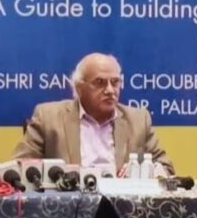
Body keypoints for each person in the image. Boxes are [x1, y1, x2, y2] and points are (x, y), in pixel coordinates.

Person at [12, 53, 174, 176]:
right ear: (79, 88)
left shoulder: (139, 120)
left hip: (123, 207)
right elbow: (19, 166)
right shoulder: (48, 117)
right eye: (99, 82)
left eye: (115, 82)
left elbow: (166, 168)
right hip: (70, 205)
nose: (110, 90)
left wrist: (144, 171)